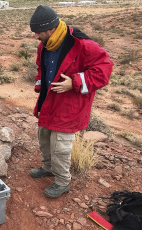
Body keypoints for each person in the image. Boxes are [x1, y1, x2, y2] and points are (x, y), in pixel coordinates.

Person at [29, 5, 113, 198]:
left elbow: (104, 70)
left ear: (50, 29)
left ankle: (62, 182)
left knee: (60, 147)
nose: (36, 37)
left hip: (69, 107)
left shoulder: (83, 45)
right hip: (48, 102)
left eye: (38, 32)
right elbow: (41, 69)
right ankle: (48, 168)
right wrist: (40, 87)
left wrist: (75, 82)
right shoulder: (44, 46)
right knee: (44, 138)